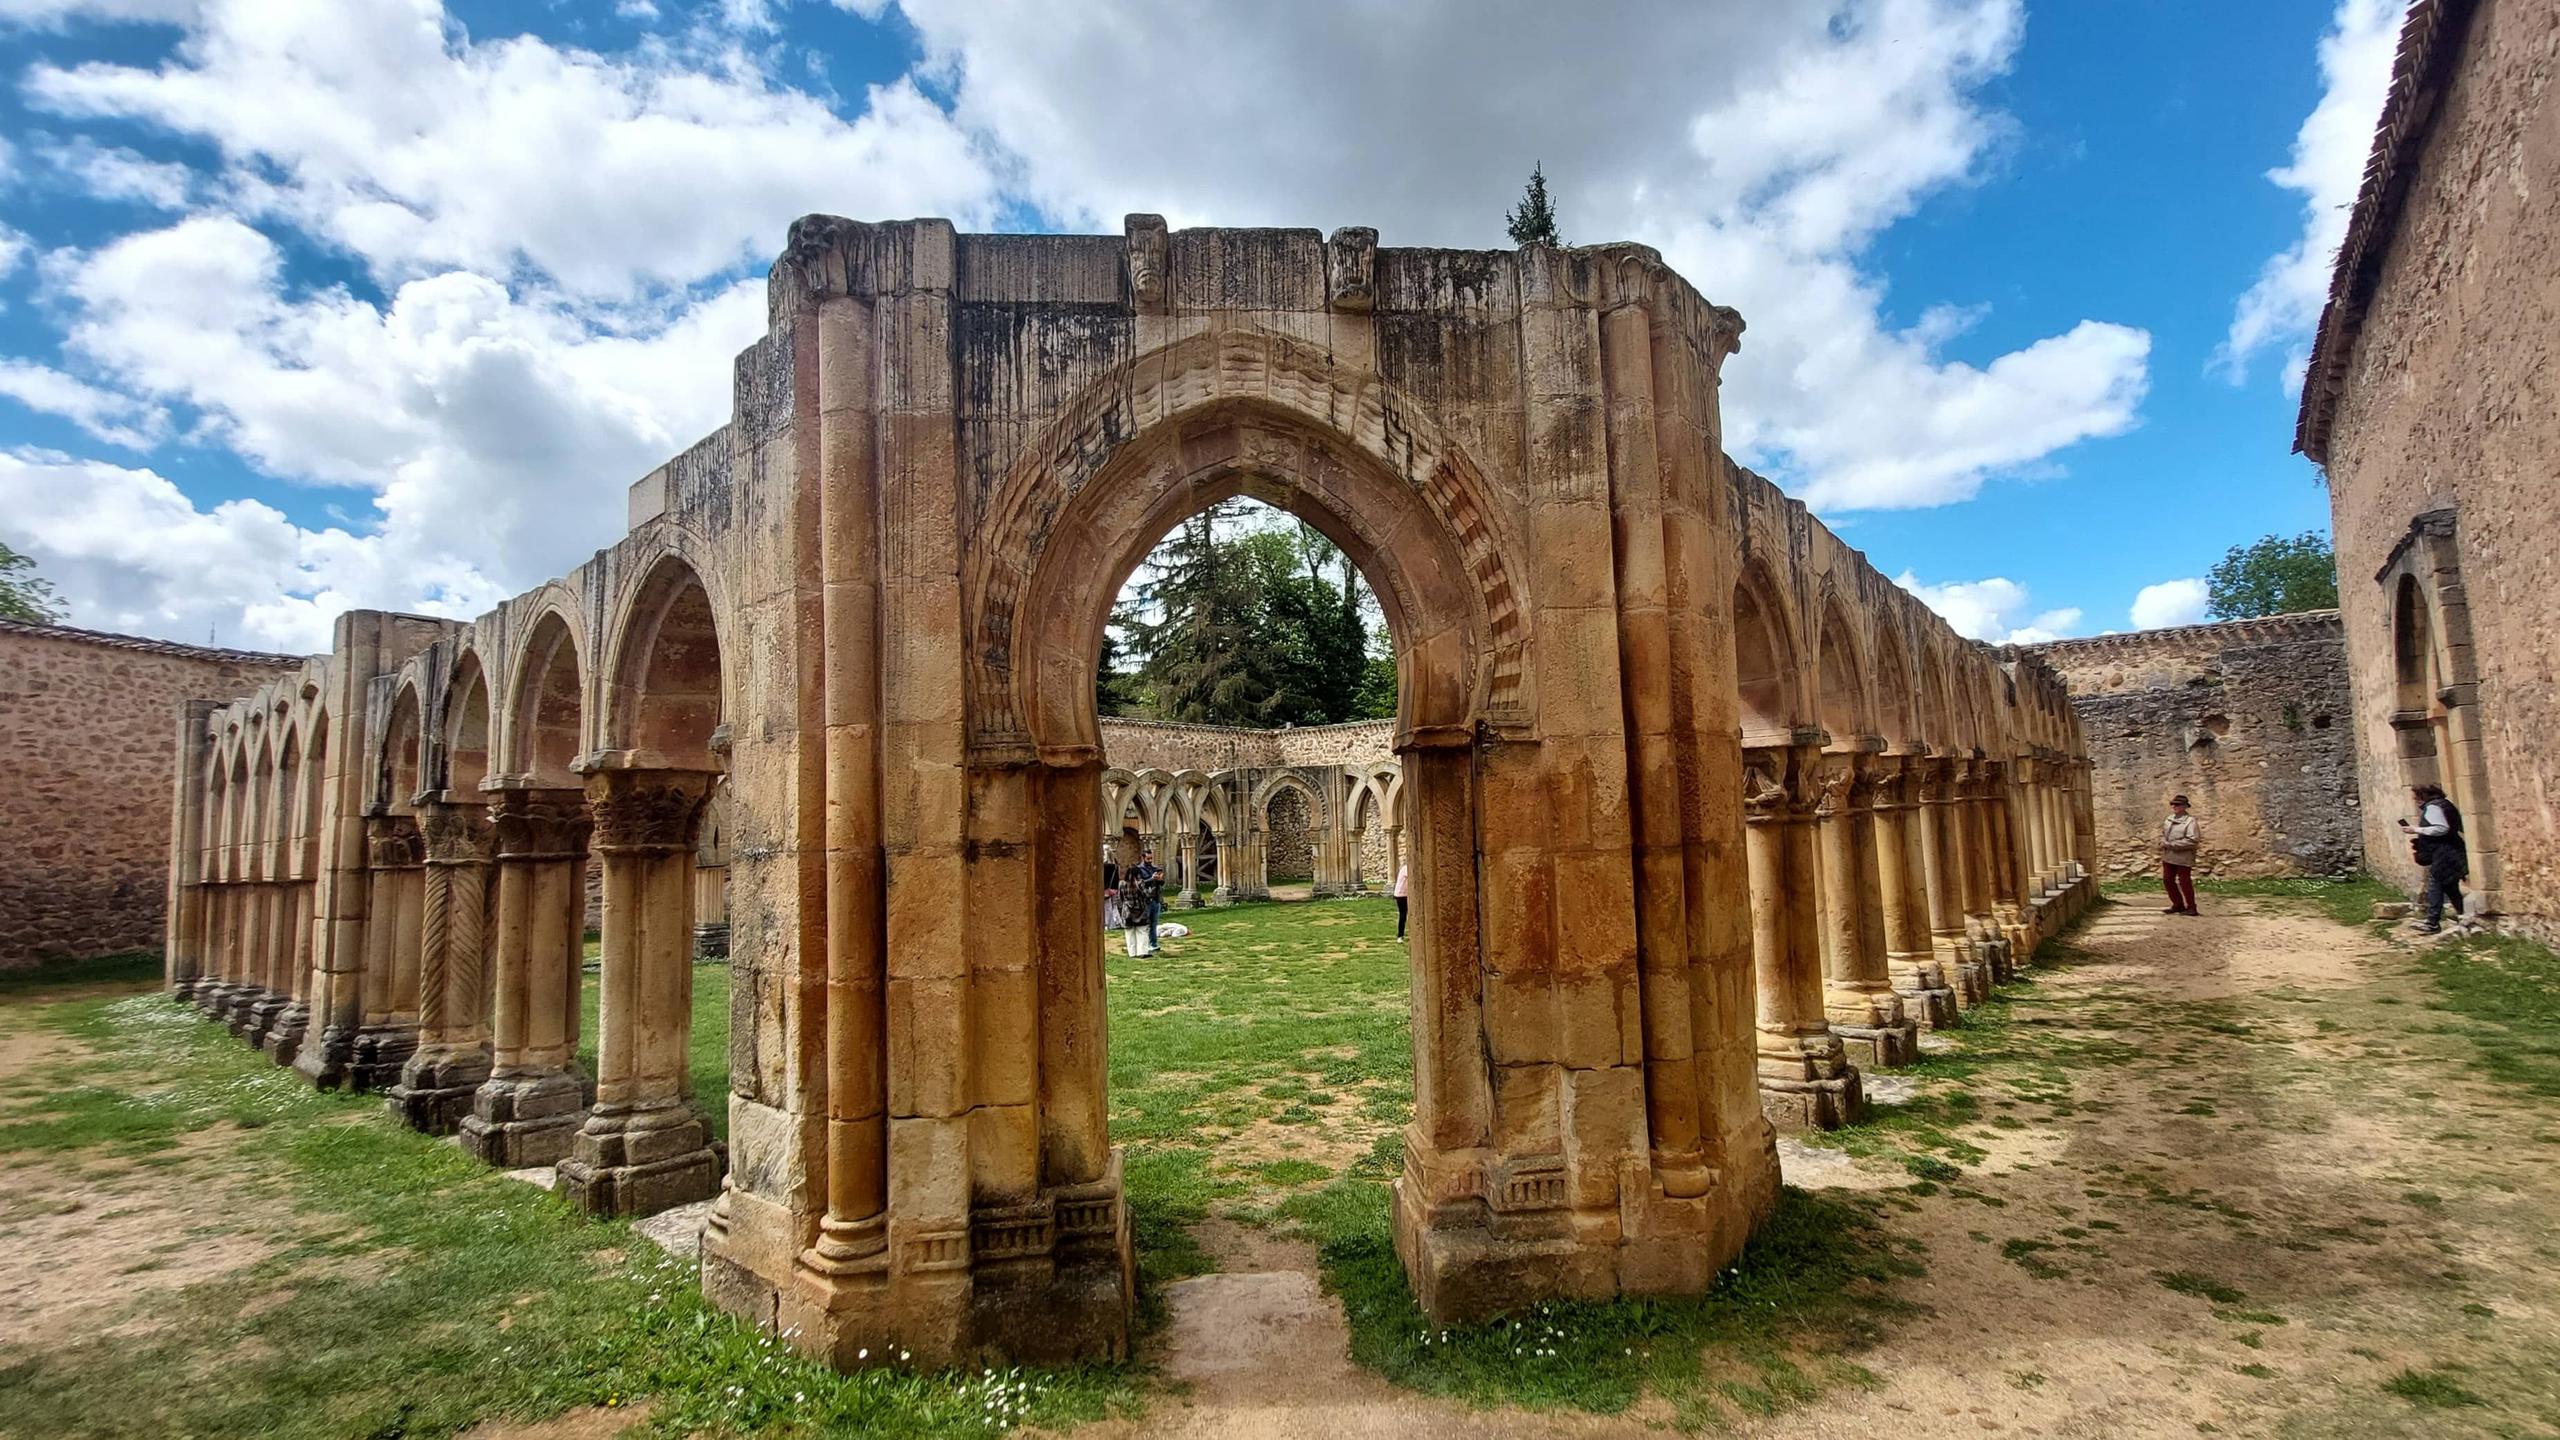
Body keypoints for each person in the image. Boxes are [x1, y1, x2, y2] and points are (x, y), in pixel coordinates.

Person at [2398, 783, 2468, 934]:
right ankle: (2464, 915)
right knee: (2450, 885)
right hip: (2452, 848)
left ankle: (2432, 922)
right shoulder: (2445, 804)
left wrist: (2416, 830)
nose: (2415, 800)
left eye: (2416, 797)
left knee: (2435, 882)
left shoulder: (2433, 807)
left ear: (2422, 796)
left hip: (2445, 851)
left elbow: (2441, 828)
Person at [2159, 795, 2200, 916]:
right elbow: (2164, 833)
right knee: (2167, 880)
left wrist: (2172, 844)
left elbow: (2192, 840)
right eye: (2173, 804)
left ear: (2184, 806)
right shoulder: (2169, 819)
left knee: (2184, 881)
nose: (2174, 807)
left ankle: (2191, 907)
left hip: (2184, 856)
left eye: (2177, 804)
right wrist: (2163, 841)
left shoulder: (2190, 821)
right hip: (2169, 855)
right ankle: (2178, 904)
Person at [1129, 847, 1165, 953]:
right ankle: (1144, 944)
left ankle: (1153, 943)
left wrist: (1160, 879)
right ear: (1143, 858)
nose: (1150, 861)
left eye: (1151, 859)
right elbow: (1140, 883)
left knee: (1154, 923)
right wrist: (1151, 879)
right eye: (1148, 859)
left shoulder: (1155, 869)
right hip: (1145, 900)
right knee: (1145, 924)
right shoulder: (1139, 869)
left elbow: (1161, 883)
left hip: (1155, 898)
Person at [1393, 859, 1410, 941]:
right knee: (1403, 915)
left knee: (1404, 915)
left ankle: (1401, 935)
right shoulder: (1406, 869)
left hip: (1402, 894)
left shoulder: (1404, 868)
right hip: (1402, 895)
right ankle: (1400, 935)